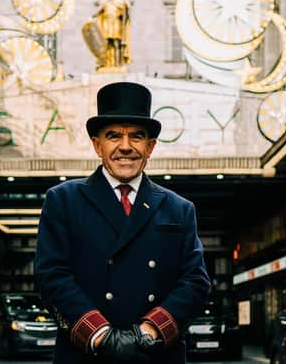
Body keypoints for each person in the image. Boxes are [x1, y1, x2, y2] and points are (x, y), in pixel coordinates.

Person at [35, 82, 210, 364]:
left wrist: (150, 330)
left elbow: (195, 281)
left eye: (137, 137)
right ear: (97, 144)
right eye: (114, 135)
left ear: (150, 146)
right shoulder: (63, 200)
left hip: (155, 354)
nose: (125, 147)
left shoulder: (180, 208)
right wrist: (102, 335)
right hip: (87, 355)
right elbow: (52, 276)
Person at [95, 0, 131, 68]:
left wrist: (127, 7)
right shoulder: (105, 3)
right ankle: (105, 62)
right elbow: (99, 13)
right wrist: (92, 18)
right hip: (106, 25)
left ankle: (118, 63)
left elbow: (125, 14)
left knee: (116, 43)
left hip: (115, 24)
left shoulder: (120, 3)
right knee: (106, 44)